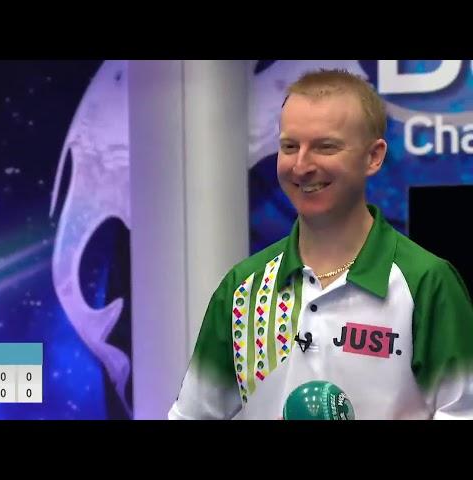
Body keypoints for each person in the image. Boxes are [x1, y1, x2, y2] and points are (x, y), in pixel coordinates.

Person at [168, 69, 473, 420]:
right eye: (289, 146)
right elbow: (191, 416)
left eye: (325, 146)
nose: (301, 165)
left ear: (373, 157)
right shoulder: (243, 287)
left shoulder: (427, 282)